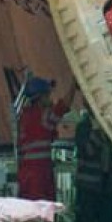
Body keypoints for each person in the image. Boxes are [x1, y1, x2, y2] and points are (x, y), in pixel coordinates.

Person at [14, 75, 66, 203]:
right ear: (40, 97)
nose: (50, 99)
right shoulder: (42, 115)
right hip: (39, 176)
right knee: (41, 213)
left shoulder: (24, 117)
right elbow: (62, 108)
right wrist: (73, 87)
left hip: (27, 176)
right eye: (48, 95)